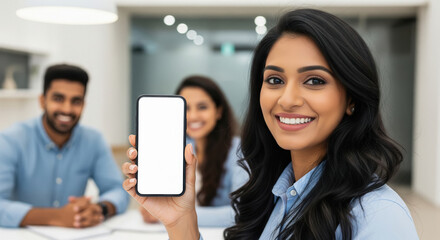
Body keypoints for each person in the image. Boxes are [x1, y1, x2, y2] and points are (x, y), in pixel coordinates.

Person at [122, 9, 419, 240]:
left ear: (352, 98)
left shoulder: (379, 216)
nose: (287, 99)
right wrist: (180, 220)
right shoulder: (278, 195)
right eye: (275, 80)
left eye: (314, 80)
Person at [0, 64, 129, 228]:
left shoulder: (93, 140)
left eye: (76, 101)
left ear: (83, 105)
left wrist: (99, 209)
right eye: (58, 99)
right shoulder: (10, 140)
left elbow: (118, 190)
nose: (67, 109)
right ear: (42, 100)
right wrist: (55, 217)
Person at [139, 75, 247, 227]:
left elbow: (241, 213)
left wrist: (175, 214)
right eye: (186, 108)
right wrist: (153, 208)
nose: (193, 116)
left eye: (202, 107)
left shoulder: (239, 150)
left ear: (218, 111)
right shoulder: (175, 148)